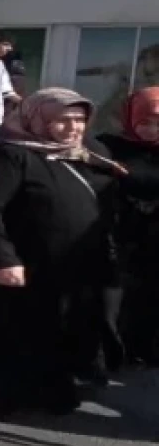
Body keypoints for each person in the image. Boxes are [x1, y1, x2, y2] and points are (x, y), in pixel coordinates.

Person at [0, 88, 126, 417]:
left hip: (74, 264)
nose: (73, 128)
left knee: (61, 328)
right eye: (61, 120)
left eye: (79, 120)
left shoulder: (91, 153)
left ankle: (52, 391)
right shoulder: (10, 154)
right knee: (14, 329)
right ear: (36, 119)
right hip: (22, 261)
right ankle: (5, 395)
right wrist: (2, 258)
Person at [96, 88, 159, 366]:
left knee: (150, 296)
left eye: (158, 124)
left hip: (154, 238)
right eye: (145, 122)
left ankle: (144, 348)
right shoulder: (109, 146)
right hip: (117, 233)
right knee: (113, 296)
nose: (151, 130)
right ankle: (110, 351)